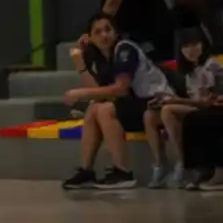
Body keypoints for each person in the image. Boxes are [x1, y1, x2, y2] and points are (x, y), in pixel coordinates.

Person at [62, 12, 174, 190]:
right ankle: (86, 171)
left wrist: (81, 93)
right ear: (90, 38)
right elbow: (99, 93)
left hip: (157, 104)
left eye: (108, 30)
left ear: (116, 32)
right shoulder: (102, 58)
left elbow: (121, 89)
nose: (104, 35)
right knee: (94, 108)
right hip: (137, 105)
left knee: (105, 109)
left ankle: (123, 172)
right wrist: (80, 64)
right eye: (97, 32)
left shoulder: (124, 49)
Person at [150, 27, 223, 188]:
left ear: (203, 44)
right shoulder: (189, 71)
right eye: (186, 46)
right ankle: (162, 164)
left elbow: (208, 102)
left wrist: (175, 100)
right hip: (201, 109)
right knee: (150, 116)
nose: (191, 50)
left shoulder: (210, 65)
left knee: (169, 110)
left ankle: (184, 163)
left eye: (195, 44)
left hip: (213, 110)